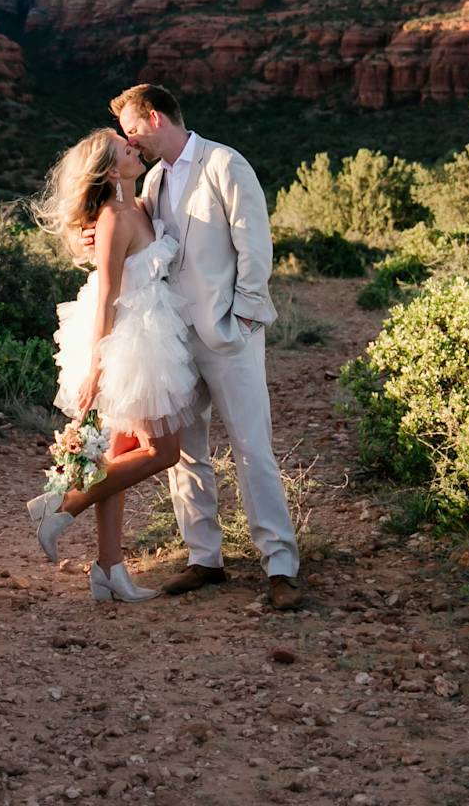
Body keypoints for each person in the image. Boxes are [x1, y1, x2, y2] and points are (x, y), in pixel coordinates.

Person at [108, 83, 303, 611]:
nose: (130, 140)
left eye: (130, 129)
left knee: (251, 447)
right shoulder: (153, 180)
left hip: (228, 334)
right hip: (175, 337)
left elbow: (254, 244)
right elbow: (139, 238)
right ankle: (204, 558)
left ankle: (280, 563)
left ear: (153, 118)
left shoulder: (225, 163)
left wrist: (241, 314)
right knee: (186, 453)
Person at [28, 128, 203, 601]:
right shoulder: (112, 218)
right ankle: (64, 506)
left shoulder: (139, 206)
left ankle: (109, 570)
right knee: (162, 453)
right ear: (110, 169)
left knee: (120, 452)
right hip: (130, 339)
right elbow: (106, 293)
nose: (135, 148)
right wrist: (97, 367)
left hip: (155, 331)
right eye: (125, 149)